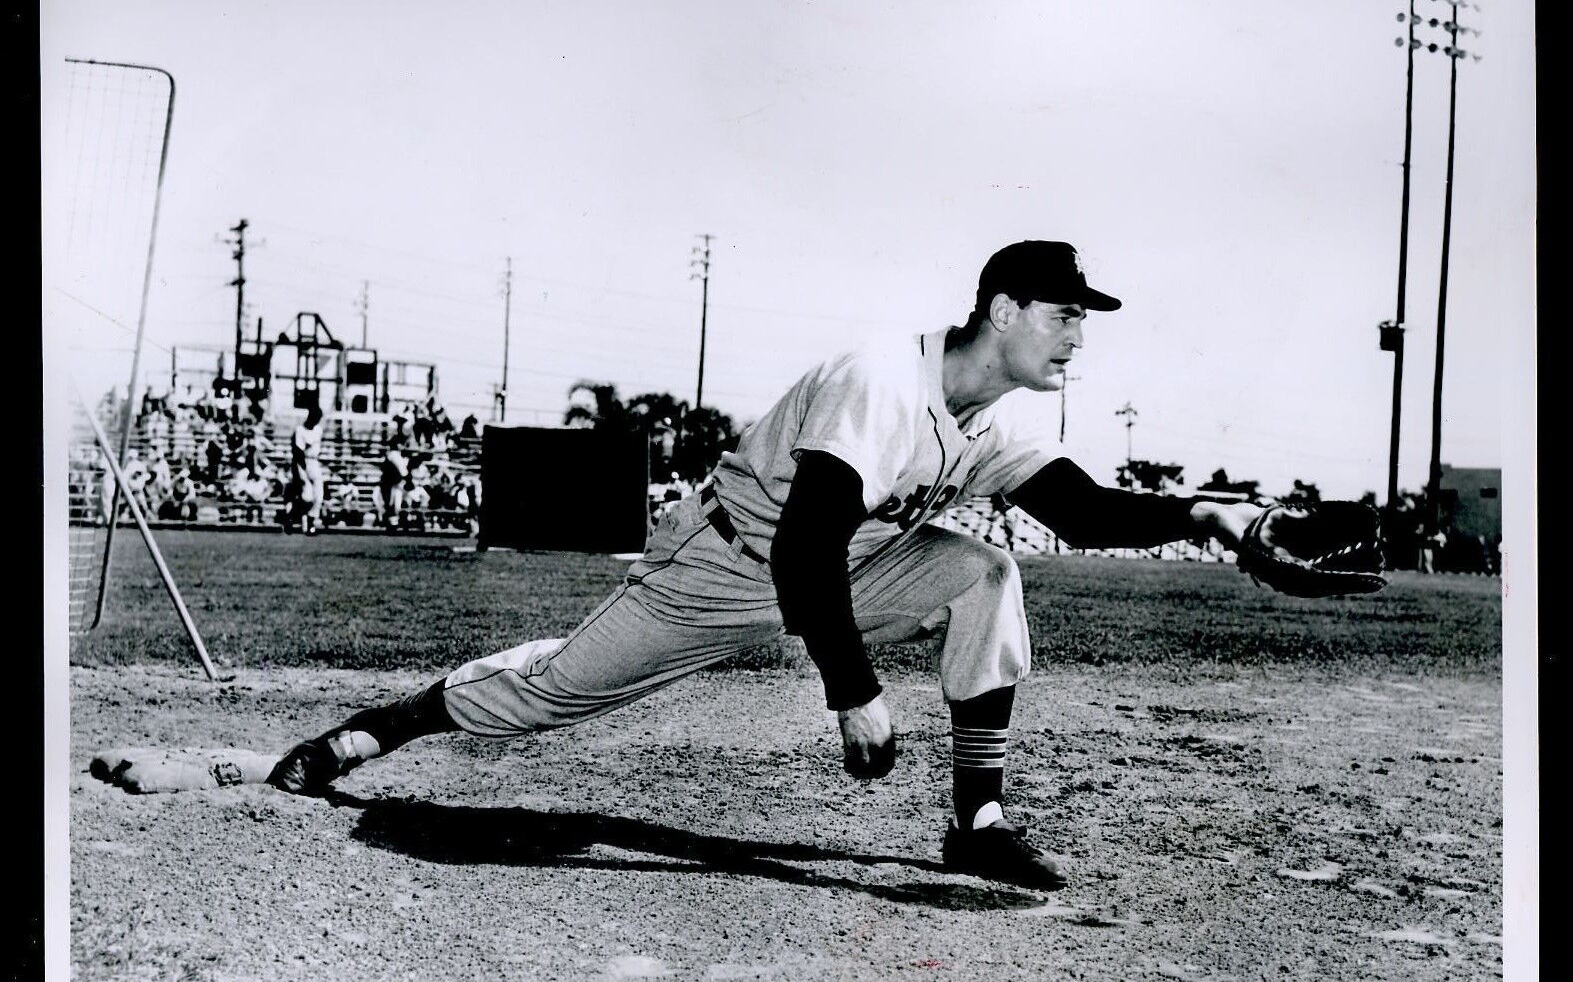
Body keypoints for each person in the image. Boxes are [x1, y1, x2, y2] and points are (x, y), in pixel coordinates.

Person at [269, 241, 1269, 890]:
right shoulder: (882, 382)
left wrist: (1213, 519)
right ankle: (367, 736)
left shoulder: (994, 418)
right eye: (1064, 315)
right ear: (1004, 310)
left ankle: (979, 821)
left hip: (846, 568)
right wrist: (854, 692)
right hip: (724, 560)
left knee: (986, 573)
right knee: (553, 692)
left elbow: (1082, 512)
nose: (1076, 338)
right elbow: (801, 543)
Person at [286, 405, 326, 536]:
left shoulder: (318, 430)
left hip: (314, 461)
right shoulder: (300, 430)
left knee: (319, 496)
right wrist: (301, 471)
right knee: (307, 496)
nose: (317, 420)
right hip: (302, 462)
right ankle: (292, 516)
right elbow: (298, 451)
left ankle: (310, 522)